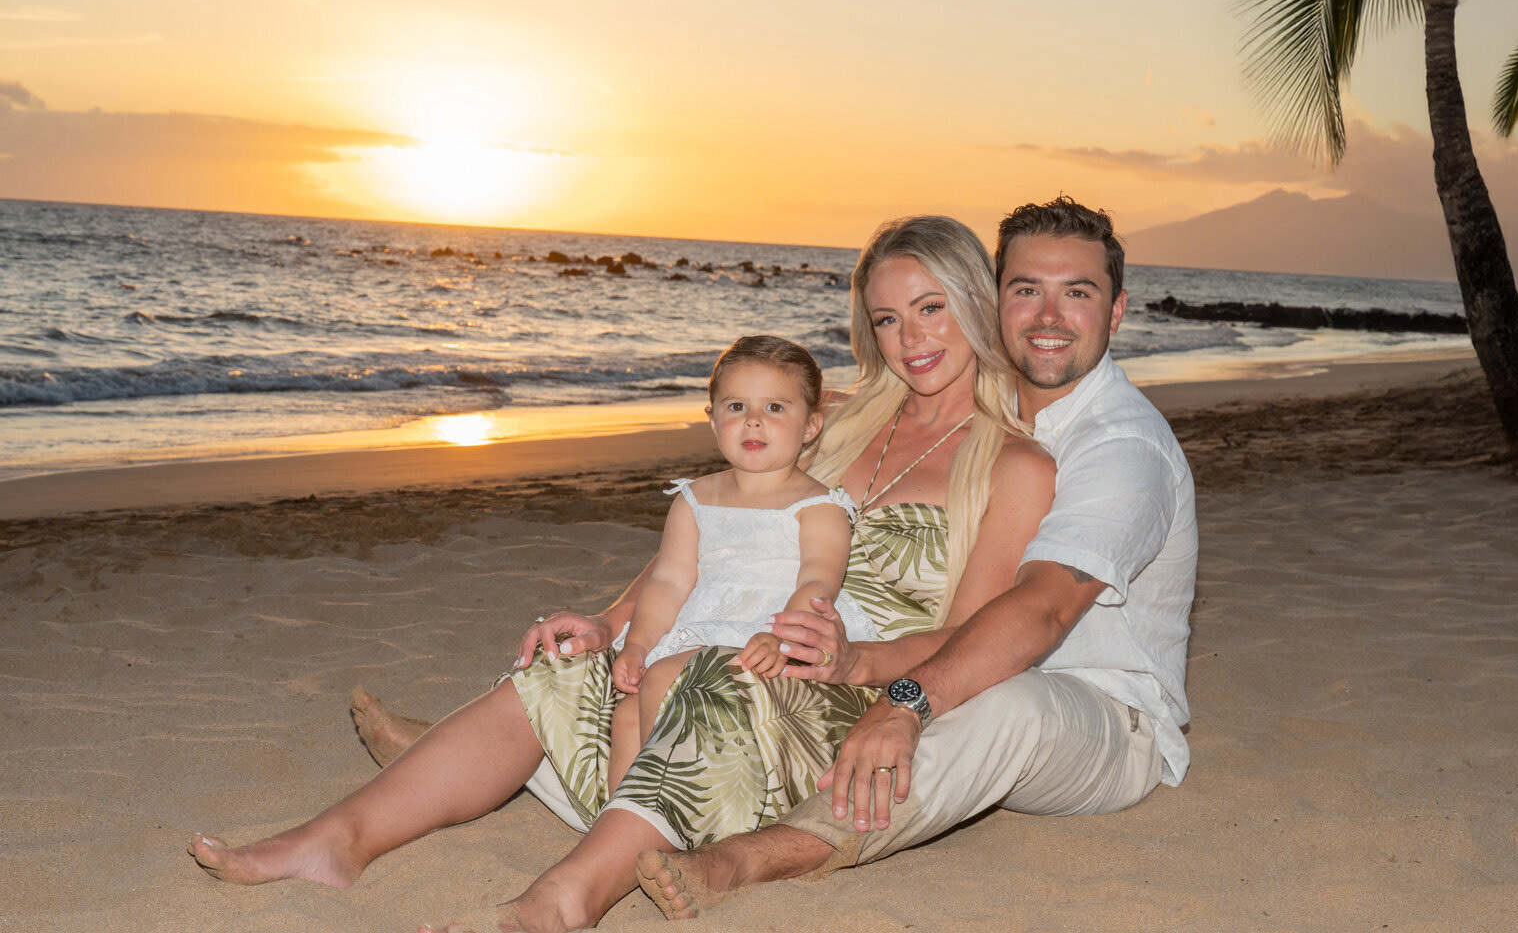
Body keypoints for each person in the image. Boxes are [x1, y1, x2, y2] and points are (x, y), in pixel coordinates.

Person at [189, 215, 1055, 933]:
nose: (912, 339)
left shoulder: (1012, 465)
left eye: (932, 308)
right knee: (569, 666)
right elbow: (720, 538)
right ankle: (338, 840)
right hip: (733, 644)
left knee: (708, 677)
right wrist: (610, 623)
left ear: (974, 305)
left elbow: (966, 642)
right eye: (888, 319)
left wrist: (848, 658)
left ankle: (563, 901)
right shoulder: (835, 421)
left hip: (844, 695)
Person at [635, 196, 1197, 920]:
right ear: (994, 302)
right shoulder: (966, 408)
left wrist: (903, 698)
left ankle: (757, 856)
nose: (1048, 316)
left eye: (1078, 293)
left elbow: (1043, 610)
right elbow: (747, 520)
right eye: (1027, 290)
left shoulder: (1121, 446)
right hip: (963, 667)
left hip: (1102, 715)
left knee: (1007, 702)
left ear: (1116, 311)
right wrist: (626, 620)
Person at [527, 334, 882, 794]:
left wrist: (781, 637)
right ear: (712, 418)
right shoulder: (695, 498)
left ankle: (657, 805)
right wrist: (636, 645)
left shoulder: (819, 505)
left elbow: (818, 582)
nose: (753, 420)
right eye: (736, 406)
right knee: (628, 715)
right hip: (703, 626)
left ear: (811, 425)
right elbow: (668, 583)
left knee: (665, 680)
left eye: (775, 407)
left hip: (772, 639)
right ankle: (624, 818)